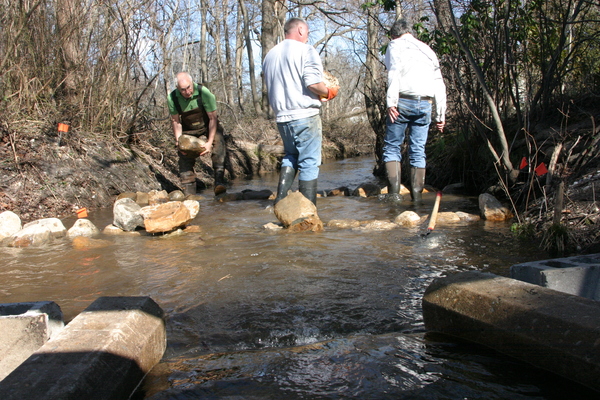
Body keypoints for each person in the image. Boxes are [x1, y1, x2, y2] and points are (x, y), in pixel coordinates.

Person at [262, 17, 339, 207]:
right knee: (309, 162)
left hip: (282, 117)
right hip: (304, 115)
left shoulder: (270, 55)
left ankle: (280, 202)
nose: (308, 37)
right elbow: (313, 83)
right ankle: (308, 211)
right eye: (308, 33)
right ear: (301, 31)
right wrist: (329, 92)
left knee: (291, 156)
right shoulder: (306, 50)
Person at [383, 18, 446, 203]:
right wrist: (440, 114)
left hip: (402, 100)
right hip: (425, 104)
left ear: (394, 34)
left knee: (392, 147)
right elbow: (439, 83)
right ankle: (416, 199)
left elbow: (393, 71)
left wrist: (391, 102)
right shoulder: (428, 50)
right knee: (418, 150)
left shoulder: (394, 45)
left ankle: (394, 198)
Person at [168, 72, 227, 196]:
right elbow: (176, 121)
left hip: (208, 124)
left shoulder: (204, 92)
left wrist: (209, 143)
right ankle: (189, 191)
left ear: (192, 83)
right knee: (184, 156)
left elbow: (213, 118)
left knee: (219, 143)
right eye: (183, 90)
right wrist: (179, 142)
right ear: (178, 88)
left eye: (189, 87)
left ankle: (219, 182)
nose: (187, 91)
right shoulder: (172, 98)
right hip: (188, 129)